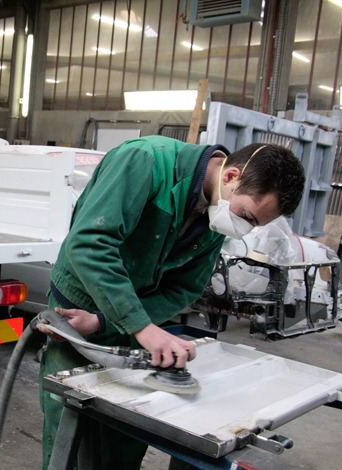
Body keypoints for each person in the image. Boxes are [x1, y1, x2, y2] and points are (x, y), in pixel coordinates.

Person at [37, 135, 306, 469]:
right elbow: (89, 244)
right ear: (231, 177)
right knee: (71, 432)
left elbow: (184, 289)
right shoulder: (144, 161)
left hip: (124, 320)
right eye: (248, 217)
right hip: (74, 313)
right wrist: (141, 327)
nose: (243, 230)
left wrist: (109, 322)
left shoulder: (217, 211)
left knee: (125, 434)